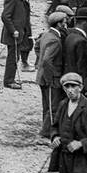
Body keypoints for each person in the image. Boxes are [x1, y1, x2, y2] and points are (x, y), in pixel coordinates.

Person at [35, 10, 67, 139]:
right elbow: (48, 60)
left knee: (46, 106)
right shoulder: (54, 40)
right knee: (52, 107)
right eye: (64, 22)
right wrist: (50, 77)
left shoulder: (46, 34)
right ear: (59, 24)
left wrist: (40, 62)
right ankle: (45, 134)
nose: (66, 24)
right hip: (50, 79)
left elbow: (37, 47)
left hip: (42, 77)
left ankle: (45, 129)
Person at [0, 0, 32, 90]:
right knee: (12, 58)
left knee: (15, 57)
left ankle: (11, 78)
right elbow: (5, 16)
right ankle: (8, 81)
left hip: (20, 32)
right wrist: (13, 30)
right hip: (13, 34)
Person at [62, 7, 87, 88]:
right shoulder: (82, 41)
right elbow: (82, 67)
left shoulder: (70, 36)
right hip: (77, 81)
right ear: (85, 23)